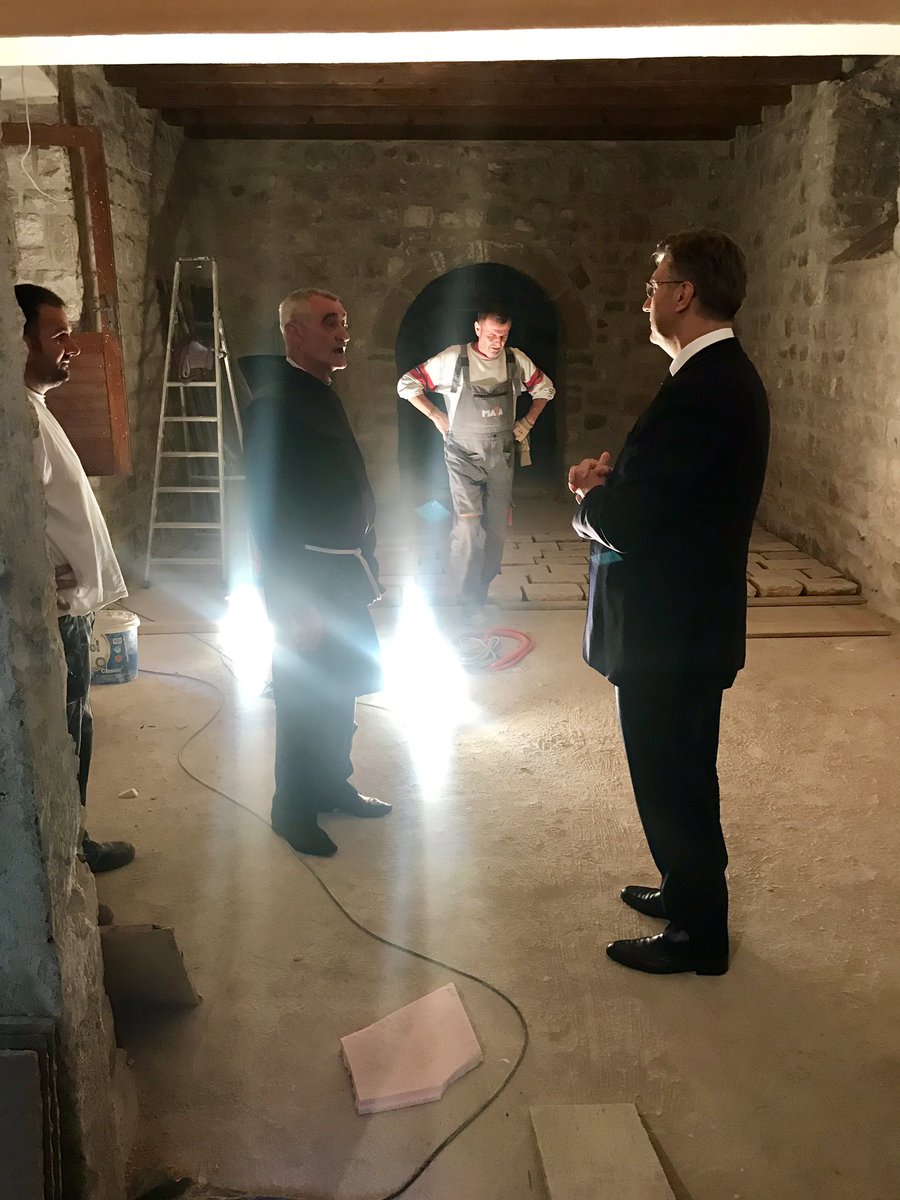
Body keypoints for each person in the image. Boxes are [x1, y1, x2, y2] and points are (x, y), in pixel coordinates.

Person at [569, 230, 770, 976]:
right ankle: (687, 891)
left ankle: (698, 935)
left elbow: (631, 524)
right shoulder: (715, 377)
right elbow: (673, 499)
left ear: (683, 294)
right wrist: (619, 487)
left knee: (671, 779)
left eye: (654, 285)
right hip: (686, 622)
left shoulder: (704, 387)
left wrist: (589, 498)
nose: (646, 298)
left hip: (669, 633)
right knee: (683, 773)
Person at [241, 288, 391, 858]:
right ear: (295, 332)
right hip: (303, 576)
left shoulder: (316, 389)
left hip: (339, 570)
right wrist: (287, 600)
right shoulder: (273, 404)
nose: (343, 333)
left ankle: (331, 783)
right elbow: (266, 510)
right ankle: (292, 809)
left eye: (344, 321)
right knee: (304, 695)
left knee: (340, 684)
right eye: (330, 323)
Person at [15, 283, 135, 874]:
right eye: (58, 334)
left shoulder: (31, 405)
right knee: (66, 730)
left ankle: (72, 842)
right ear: (20, 340)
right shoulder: (18, 418)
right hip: (55, 609)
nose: (72, 346)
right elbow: (18, 517)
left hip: (69, 604)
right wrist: (44, 570)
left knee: (76, 721)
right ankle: (69, 856)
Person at [397, 307, 555, 613]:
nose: (498, 342)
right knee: (469, 525)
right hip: (462, 455)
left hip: (501, 455)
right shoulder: (453, 359)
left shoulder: (515, 361)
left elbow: (545, 388)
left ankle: (480, 588)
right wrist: (436, 415)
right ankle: (463, 593)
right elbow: (407, 384)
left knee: (496, 528)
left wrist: (527, 422)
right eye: (492, 334)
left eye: (504, 335)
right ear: (478, 328)